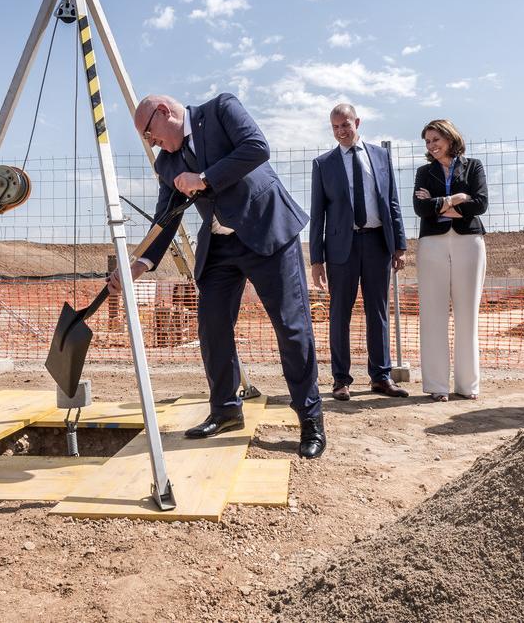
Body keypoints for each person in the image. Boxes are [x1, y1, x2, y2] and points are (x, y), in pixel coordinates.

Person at [109, 93, 326, 458]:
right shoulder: (167, 164)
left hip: (267, 231)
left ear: (165, 112)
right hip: (221, 244)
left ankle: (310, 419)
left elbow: (257, 148)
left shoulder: (221, 110)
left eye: (150, 133)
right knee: (211, 326)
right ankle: (225, 410)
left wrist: (204, 178)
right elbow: (167, 217)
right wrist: (138, 264)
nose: (151, 142)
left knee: (291, 327)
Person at [308, 104, 409, 402]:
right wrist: (317, 260)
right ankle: (341, 380)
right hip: (341, 249)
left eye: (345, 124)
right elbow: (318, 215)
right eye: (335, 126)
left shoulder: (380, 156)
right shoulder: (323, 164)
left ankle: (381, 376)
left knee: (377, 312)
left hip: (378, 244)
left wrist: (399, 245)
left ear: (358, 122)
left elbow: (392, 202)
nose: (341, 130)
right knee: (340, 314)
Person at [412, 119, 488, 402]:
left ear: (450, 137)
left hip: (470, 242)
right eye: (428, 142)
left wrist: (440, 204)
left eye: (436, 139)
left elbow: (480, 204)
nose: (432, 146)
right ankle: (437, 386)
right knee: (433, 314)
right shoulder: (424, 172)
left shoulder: (474, 166)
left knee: (467, 315)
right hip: (432, 244)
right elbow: (421, 208)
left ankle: (468, 385)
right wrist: (456, 198)